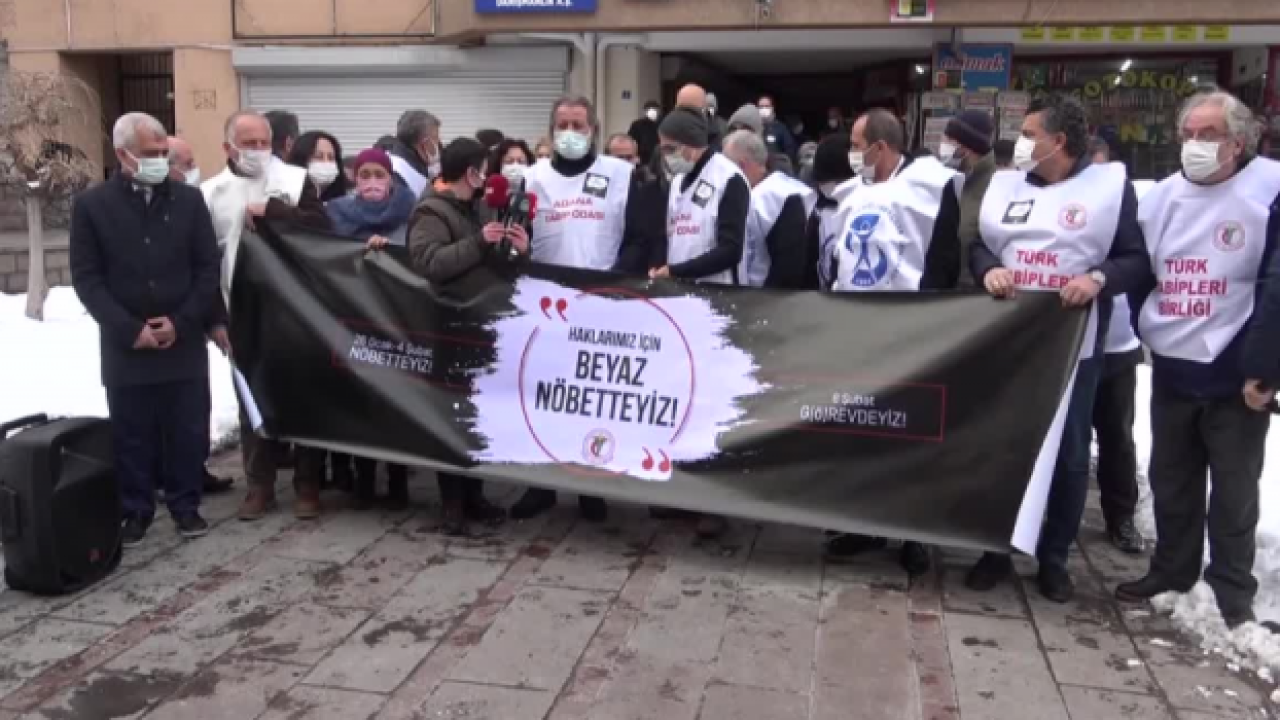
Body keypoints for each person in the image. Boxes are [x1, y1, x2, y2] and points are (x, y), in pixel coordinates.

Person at [967, 93, 1150, 603]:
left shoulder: (1108, 190)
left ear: (1059, 141)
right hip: (1012, 342)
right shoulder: (1007, 186)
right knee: (1005, 447)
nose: (1021, 143)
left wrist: (1098, 279)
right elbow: (978, 246)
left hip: (1074, 346)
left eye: (1030, 134)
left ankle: (1054, 559)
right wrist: (988, 269)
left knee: (1069, 455)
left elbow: (1135, 260)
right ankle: (996, 549)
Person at [1116, 90, 1280, 629]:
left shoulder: (1269, 190)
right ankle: (1171, 570)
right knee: (1172, 479)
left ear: (1239, 141)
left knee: (1234, 490)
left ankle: (1232, 588)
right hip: (1174, 361)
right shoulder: (1161, 198)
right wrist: (1149, 325)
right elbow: (1140, 272)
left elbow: (1276, 283)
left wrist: (1265, 366)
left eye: (1208, 135)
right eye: (1188, 134)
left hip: (1236, 371)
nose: (1195, 145)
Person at [71, 112, 221, 545]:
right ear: (123, 155)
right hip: (127, 344)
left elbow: (206, 269)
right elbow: (87, 278)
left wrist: (182, 322)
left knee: (187, 429)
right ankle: (136, 509)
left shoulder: (189, 201)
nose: (160, 161)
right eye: (150, 154)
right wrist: (127, 328)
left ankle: (186, 505)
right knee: (132, 432)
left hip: (182, 339)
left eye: (163, 153)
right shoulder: (93, 206)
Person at [823, 109, 961, 576]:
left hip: (908, 329)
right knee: (863, 432)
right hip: (858, 330)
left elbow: (943, 259)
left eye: (856, 143)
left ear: (879, 147)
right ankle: (864, 523)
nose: (851, 151)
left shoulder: (929, 187)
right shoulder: (853, 192)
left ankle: (913, 532)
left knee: (910, 433)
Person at [510, 95, 640, 524]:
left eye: (578, 125)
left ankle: (590, 486)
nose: (569, 133)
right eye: (562, 125)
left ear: (593, 130)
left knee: (592, 400)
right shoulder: (532, 177)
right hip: (547, 304)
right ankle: (540, 485)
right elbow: (518, 234)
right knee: (543, 396)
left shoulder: (620, 174)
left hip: (602, 303)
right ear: (551, 131)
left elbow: (638, 237)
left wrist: (618, 282)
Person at [202, 109, 327, 522]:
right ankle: (260, 485)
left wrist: (276, 212)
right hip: (242, 309)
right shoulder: (210, 193)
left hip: (296, 307)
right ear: (228, 147)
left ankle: (308, 484)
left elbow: (321, 229)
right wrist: (215, 319)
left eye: (264, 143)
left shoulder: (295, 180)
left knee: (304, 397)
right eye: (249, 143)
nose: (258, 151)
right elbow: (202, 261)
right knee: (251, 399)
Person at [406, 137, 520, 534]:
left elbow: (498, 262)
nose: (489, 176)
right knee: (451, 416)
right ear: (470, 172)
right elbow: (429, 262)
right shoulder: (431, 210)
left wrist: (517, 249)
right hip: (447, 324)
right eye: (484, 169)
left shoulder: (480, 207)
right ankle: (452, 503)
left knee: (477, 415)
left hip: (481, 322)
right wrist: (478, 241)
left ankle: (475, 495)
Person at [653, 107, 751, 539]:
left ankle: (713, 502)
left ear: (690, 144)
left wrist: (679, 272)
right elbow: (676, 238)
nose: (665, 156)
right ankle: (680, 491)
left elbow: (730, 249)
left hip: (716, 303)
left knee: (710, 407)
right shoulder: (678, 182)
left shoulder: (730, 179)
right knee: (679, 402)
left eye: (669, 148)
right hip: (680, 306)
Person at [1080, 134, 1146, 554]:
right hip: (1067, 342)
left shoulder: (1128, 203)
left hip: (1117, 343)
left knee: (1116, 435)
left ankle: (1121, 517)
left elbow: (1140, 262)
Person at [722, 129, 813, 289]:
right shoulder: (779, 188)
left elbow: (788, 267)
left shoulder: (775, 197)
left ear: (742, 165)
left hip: (773, 297)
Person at [941, 110, 999, 289]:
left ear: (964, 148)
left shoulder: (996, 186)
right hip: (942, 292)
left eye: (948, 140)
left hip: (976, 293)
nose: (942, 145)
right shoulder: (946, 179)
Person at [810, 134, 858, 290]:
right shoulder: (818, 211)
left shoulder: (863, 210)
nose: (823, 186)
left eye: (828, 180)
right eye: (820, 181)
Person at [387, 109, 442, 198]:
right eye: (436, 138)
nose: (439, 143)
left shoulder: (396, 163)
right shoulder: (398, 174)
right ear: (425, 143)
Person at [287, 130, 351, 203]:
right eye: (318, 157)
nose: (326, 162)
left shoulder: (342, 204)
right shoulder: (286, 200)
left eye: (331, 158)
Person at [757, 95, 797, 161]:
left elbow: (790, 149)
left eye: (767, 106)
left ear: (772, 108)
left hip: (775, 165)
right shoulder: (753, 127)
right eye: (761, 107)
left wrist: (782, 162)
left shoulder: (781, 128)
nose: (764, 109)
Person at [629, 100, 662, 166]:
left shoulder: (663, 124)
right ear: (645, 111)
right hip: (642, 158)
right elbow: (631, 140)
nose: (652, 112)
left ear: (658, 111)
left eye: (655, 110)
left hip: (660, 157)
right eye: (649, 110)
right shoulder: (637, 124)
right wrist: (633, 155)